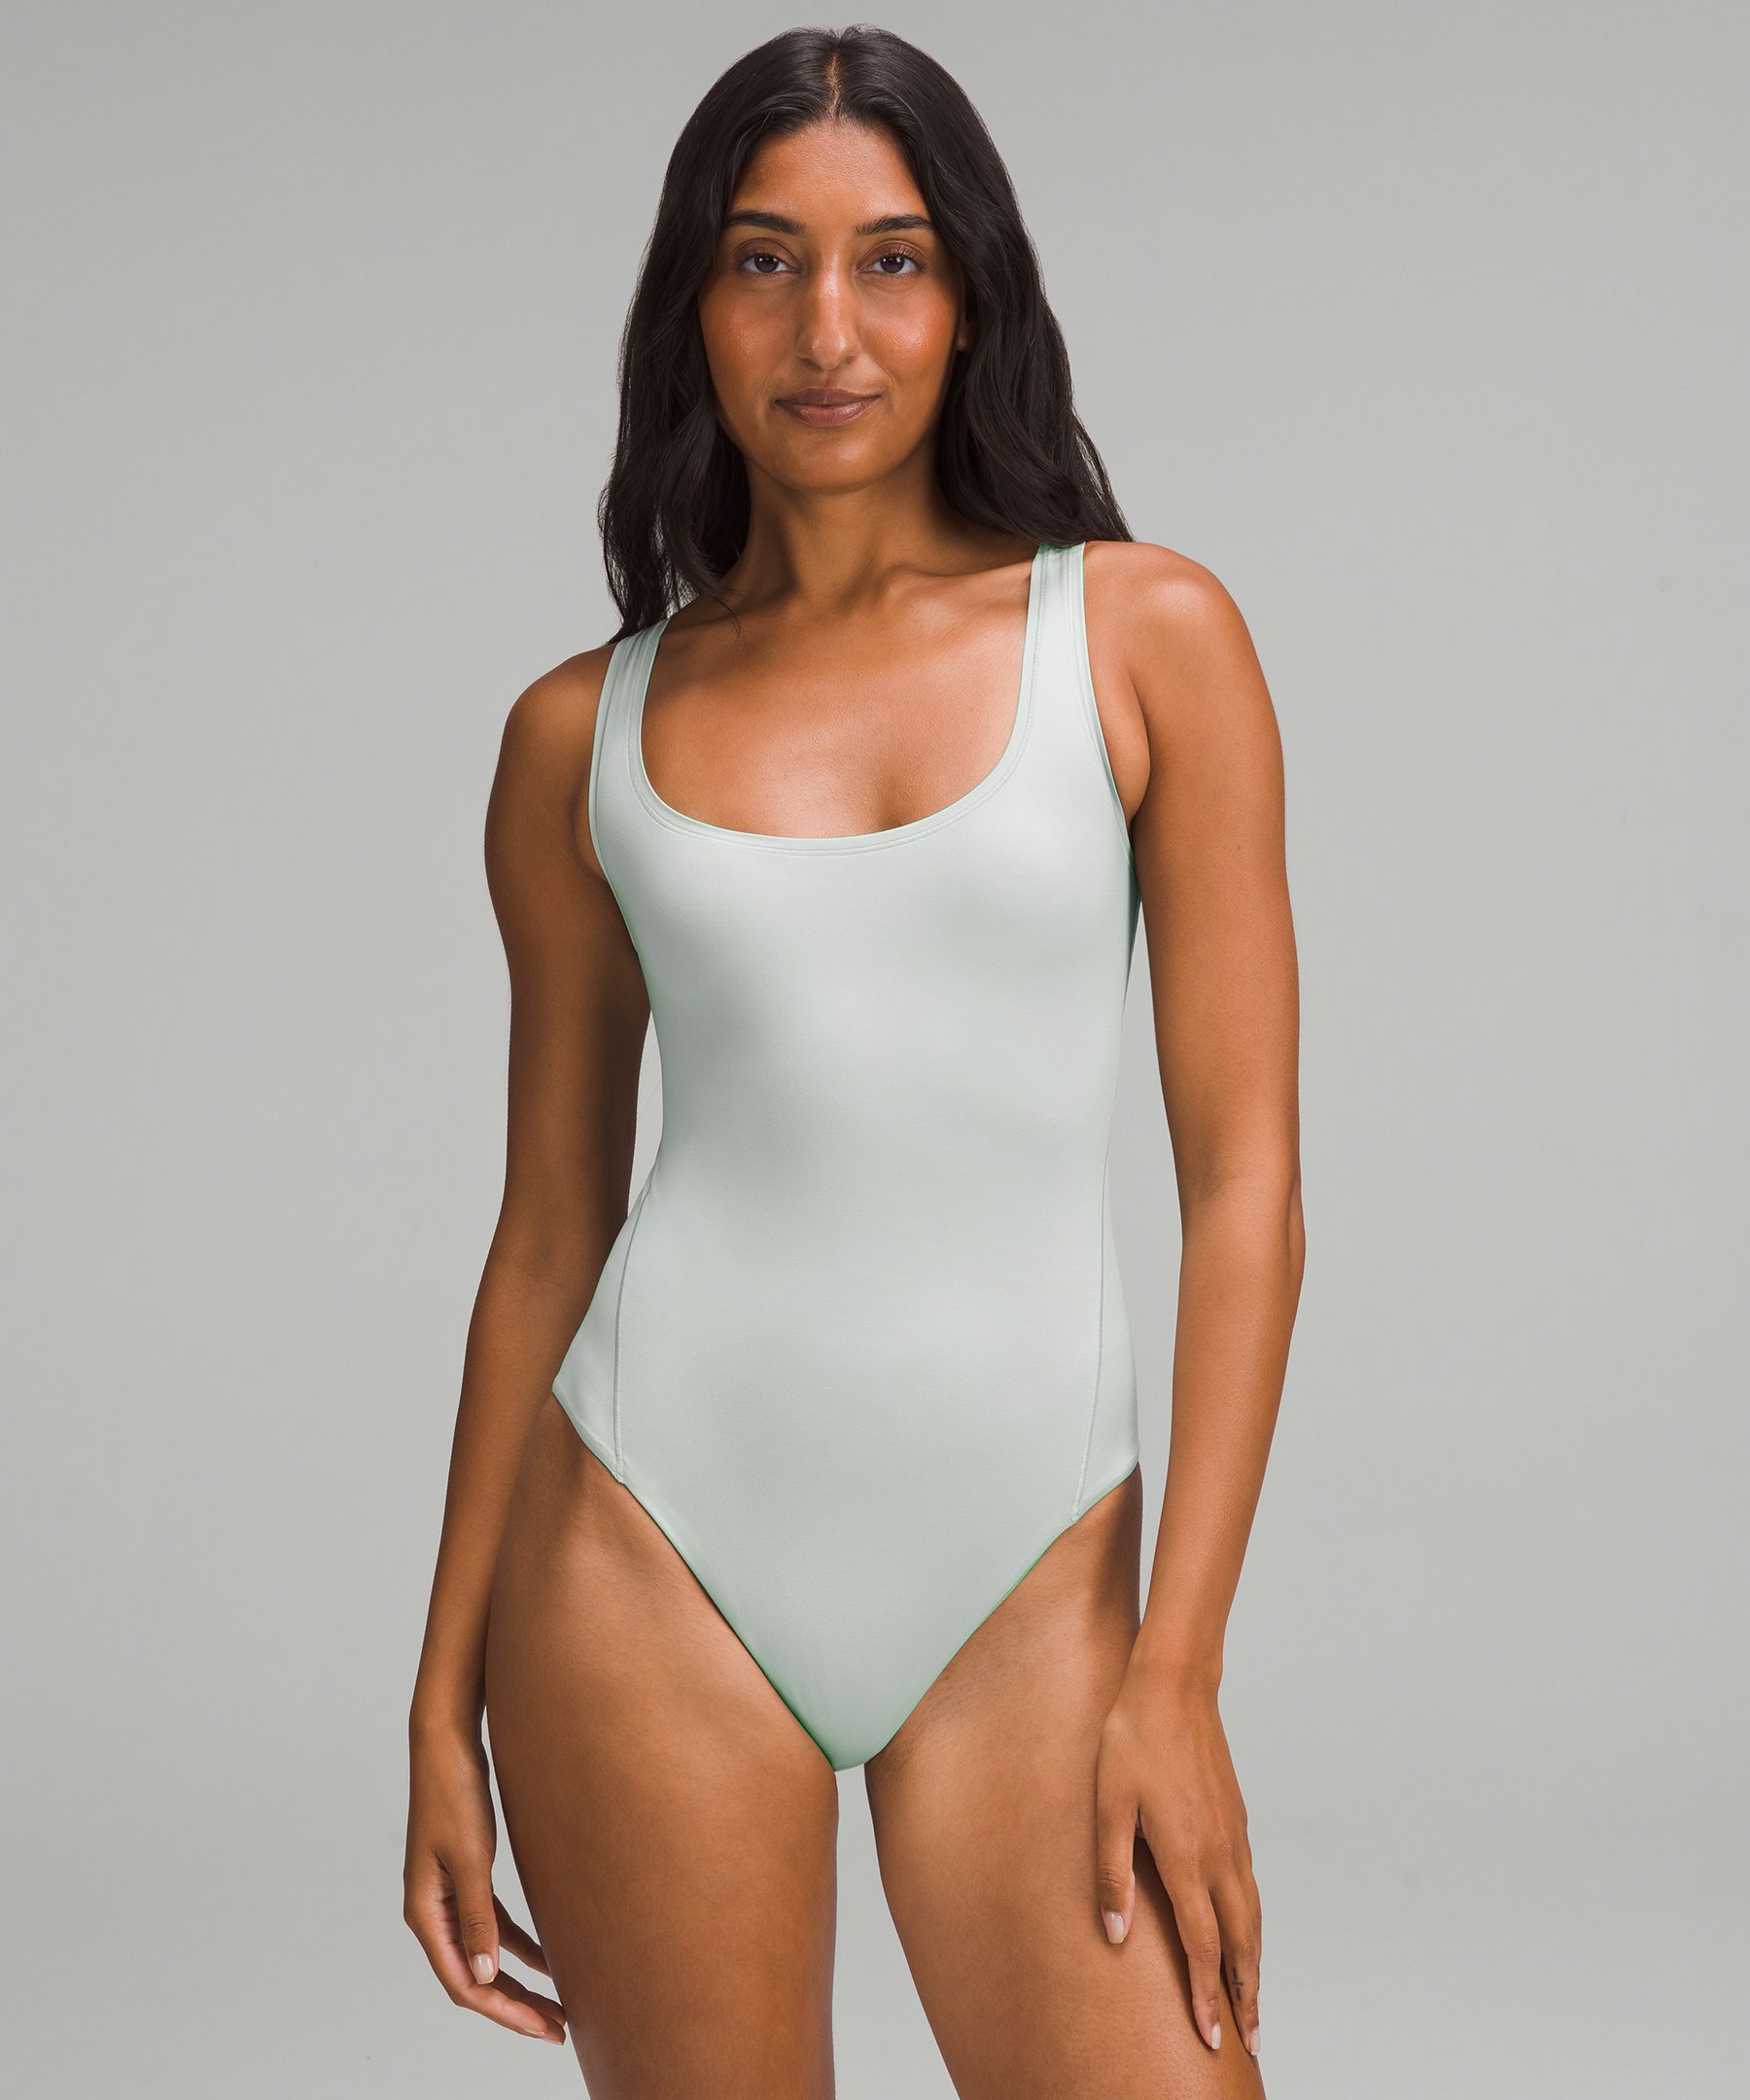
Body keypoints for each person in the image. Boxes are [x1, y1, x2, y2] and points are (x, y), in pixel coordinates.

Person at [403, 25, 1302, 2097]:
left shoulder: (1143, 638)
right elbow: (546, 1232)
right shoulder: (577, 739)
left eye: (892, 260)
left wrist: (1179, 1669)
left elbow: (1246, 1185)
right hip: (643, 1558)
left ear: (970, 295)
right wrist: (440, 1693)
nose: (829, 328)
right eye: (765, 261)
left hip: (1032, 1579)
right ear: (693, 306)